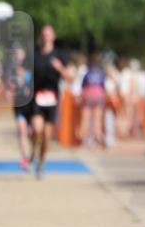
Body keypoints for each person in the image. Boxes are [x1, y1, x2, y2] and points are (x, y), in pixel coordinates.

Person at [31, 25, 72, 179]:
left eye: (49, 34)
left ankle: (40, 164)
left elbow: (70, 77)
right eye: (44, 34)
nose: (46, 37)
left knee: (47, 137)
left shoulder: (59, 55)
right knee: (36, 129)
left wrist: (60, 68)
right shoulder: (35, 54)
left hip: (52, 99)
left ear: (53, 37)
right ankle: (33, 150)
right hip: (36, 97)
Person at [10, 48, 34, 170]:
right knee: (22, 130)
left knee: (31, 132)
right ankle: (25, 158)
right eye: (17, 55)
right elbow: (12, 88)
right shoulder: (13, 72)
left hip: (32, 107)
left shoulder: (31, 70)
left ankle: (32, 153)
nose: (19, 58)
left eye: (21, 55)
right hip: (19, 105)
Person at [80, 53, 107, 148]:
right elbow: (103, 86)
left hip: (88, 95)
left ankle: (84, 140)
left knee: (86, 118)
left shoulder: (87, 73)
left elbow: (83, 86)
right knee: (97, 119)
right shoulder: (101, 73)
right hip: (99, 96)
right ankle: (97, 139)